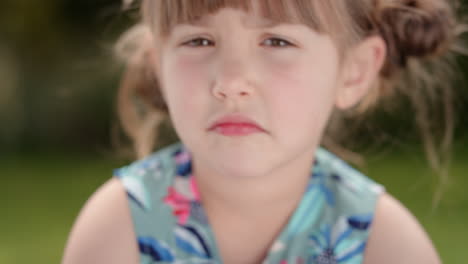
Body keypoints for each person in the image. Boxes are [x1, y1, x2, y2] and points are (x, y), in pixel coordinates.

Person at [62, 0, 466, 263]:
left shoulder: (385, 246)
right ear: (159, 67)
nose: (232, 80)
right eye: (199, 40)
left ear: (354, 70)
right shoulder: (122, 229)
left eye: (276, 41)